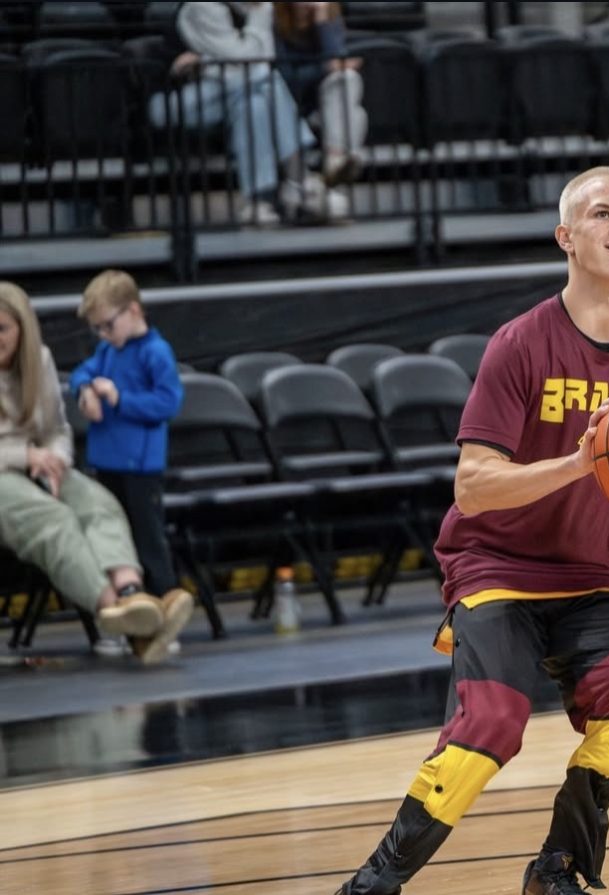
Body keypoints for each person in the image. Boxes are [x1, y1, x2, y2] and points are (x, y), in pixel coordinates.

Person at [334, 167, 609, 895]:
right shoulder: (520, 343)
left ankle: (558, 863)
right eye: (601, 214)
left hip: (594, 575)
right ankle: (373, 882)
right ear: (567, 236)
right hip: (494, 564)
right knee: (491, 722)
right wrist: (580, 464)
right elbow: (474, 485)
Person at [0, 282, 193, 665]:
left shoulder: (39, 359)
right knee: (53, 519)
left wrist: (54, 458)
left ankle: (131, 592)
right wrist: (27, 455)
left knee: (98, 503)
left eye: (2, 329)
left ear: (23, 328)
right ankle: (116, 614)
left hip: (38, 465)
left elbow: (57, 428)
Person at [146, 1, 346, 225]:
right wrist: (257, 20)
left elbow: (259, 59)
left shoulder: (252, 8)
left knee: (254, 104)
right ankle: (300, 179)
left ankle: (258, 203)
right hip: (176, 102)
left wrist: (208, 62)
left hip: (231, 92)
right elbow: (246, 58)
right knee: (266, 79)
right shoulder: (203, 7)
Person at [69, 270, 185, 597]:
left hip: (140, 466)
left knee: (147, 541)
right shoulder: (108, 351)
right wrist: (84, 391)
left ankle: (163, 606)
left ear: (133, 311)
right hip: (107, 461)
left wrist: (120, 399)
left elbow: (168, 403)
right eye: (97, 328)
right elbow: (82, 372)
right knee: (112, 540)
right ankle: (127, 607)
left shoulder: (156, 351)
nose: (103, 334)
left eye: (108, 325)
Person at [274, 1, 367, 186]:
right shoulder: (275, 22)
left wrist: (323, 24)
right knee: (356, 115)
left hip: (326, 106)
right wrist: (324, 68)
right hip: (291, 106)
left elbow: (336, 61)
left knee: (348, 78)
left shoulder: (328, 18)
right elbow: (286, 80)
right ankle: (338, 165)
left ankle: (335, 158)